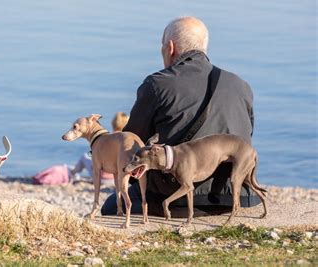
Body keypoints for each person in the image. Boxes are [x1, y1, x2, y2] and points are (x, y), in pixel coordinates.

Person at [101, 16, 261, 215]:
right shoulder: (241, 85)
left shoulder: (157, 84)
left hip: (177, 198)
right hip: (238, 196)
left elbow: (131, 142)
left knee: (110, 207)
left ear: (170, 47)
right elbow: (247, 135)